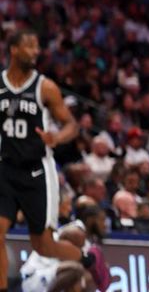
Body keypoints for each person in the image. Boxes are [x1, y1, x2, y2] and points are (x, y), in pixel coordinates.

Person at [0, 31, 99, 290]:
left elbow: (71, 125)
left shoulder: (45, 87)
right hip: (5, 168)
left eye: (37, 47)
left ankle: (89, 259)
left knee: (43, 245)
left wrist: (56, 137)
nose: (35, 52)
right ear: (13, 50)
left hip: (36, 172)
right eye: (29, 46)